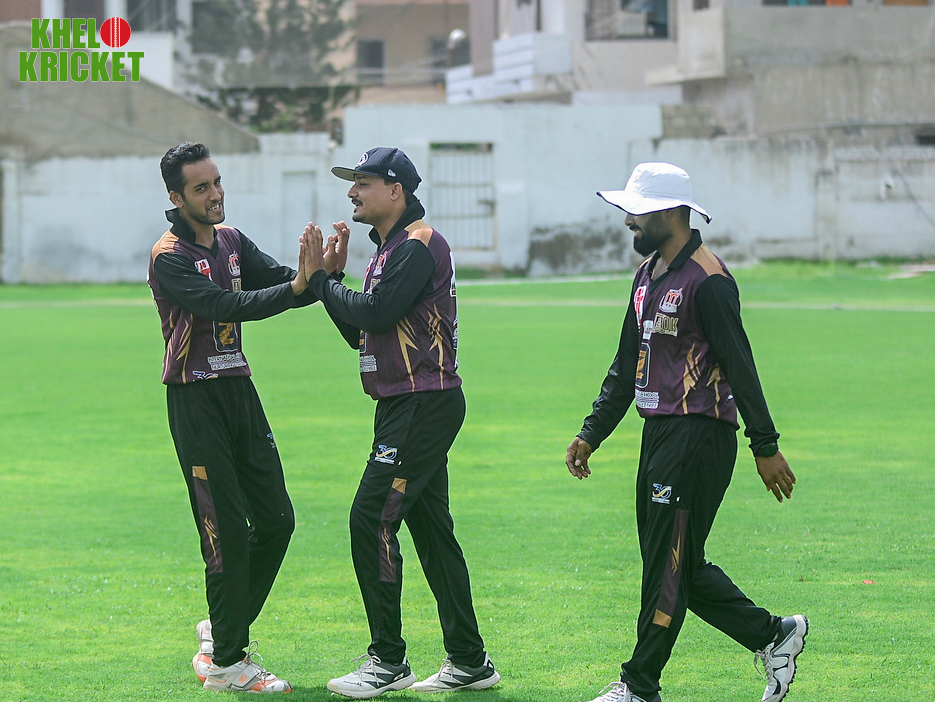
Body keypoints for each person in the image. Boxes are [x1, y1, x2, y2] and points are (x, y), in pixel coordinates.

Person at [565, 162, 808, 702]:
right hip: (659, 436)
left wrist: (764, 445)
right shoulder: (646, 275)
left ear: (672, 212)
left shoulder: (709, 280)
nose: (628, 220)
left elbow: (741, 365)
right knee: (674, 562)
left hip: (699, 438)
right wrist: (592, 431)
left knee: (667, 566)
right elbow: (627, 363)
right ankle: (773, 635)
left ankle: (639, 684)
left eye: (638, 211)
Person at [298, 147, 499, 699]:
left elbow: (376, 312)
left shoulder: (416, 245)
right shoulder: (390, 250)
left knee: (370, 520)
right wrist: (329, 282)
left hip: (420, 404)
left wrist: (320, 281)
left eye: (362, 182)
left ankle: (388, 660)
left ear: (396, 191)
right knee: (432, 532)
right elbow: (362, 332)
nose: (352, 192)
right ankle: (469, 661)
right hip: (406, 404)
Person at [147, 142, 345, 694]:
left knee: (278, 520)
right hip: (195, 399)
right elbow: (225, 305)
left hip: (239, 392)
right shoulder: (169, 255)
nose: (215, 194)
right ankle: (228, 665)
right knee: (226, 532)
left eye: (216, 182)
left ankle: (222, 629)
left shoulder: (232, 241)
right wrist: (298, 285)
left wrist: (323, 274)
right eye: (201, 188)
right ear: (176, 198)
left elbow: (285, 284)